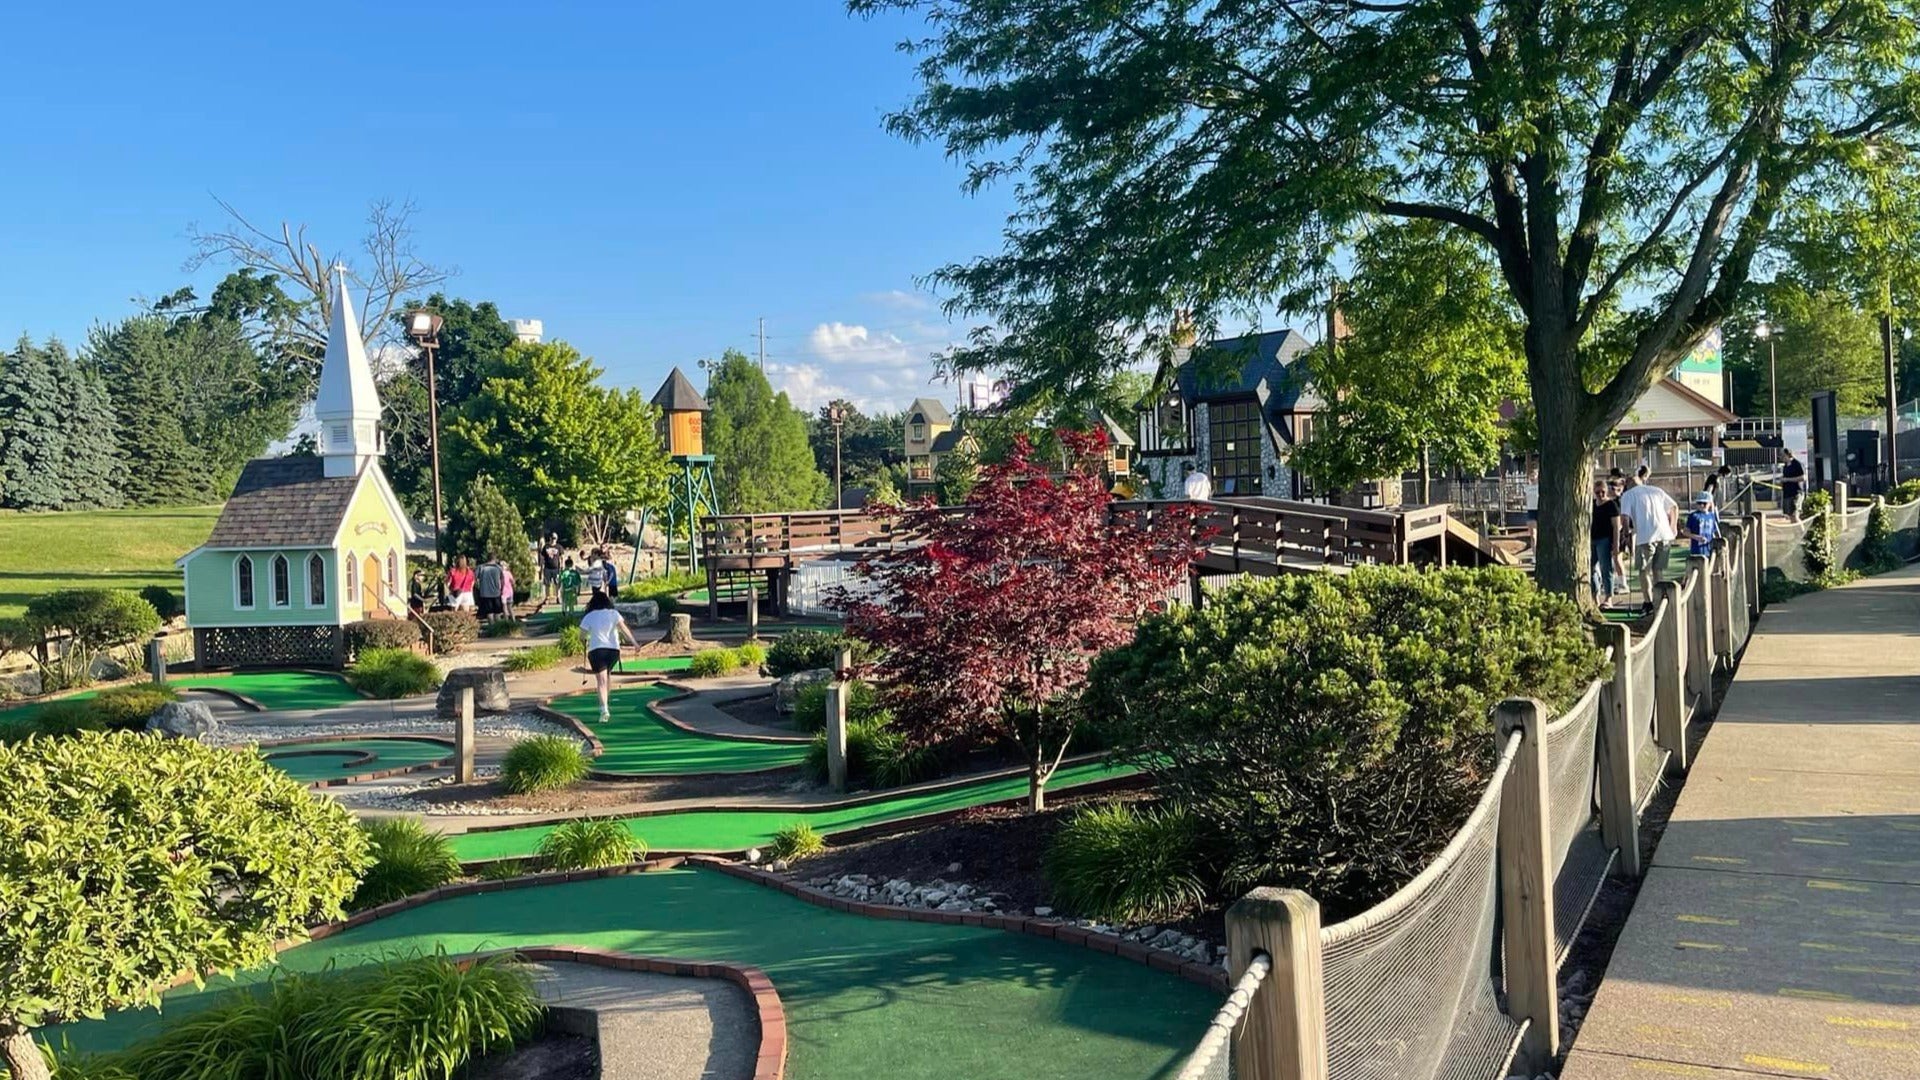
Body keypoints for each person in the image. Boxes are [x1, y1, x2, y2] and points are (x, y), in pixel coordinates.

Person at [1618, 469, 1679, 606]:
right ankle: (1661, 600)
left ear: (1627, 484)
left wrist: (1626, 535)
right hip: (1664, 535)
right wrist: (1673, 527)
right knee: (1658, 570)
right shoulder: (1656, 490)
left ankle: (1648, 602)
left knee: (1643, 571)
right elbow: (1674, 507)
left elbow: (1625, 518)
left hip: (1646, 536)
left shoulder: (1627, 495)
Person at [578, 591, 638, 723]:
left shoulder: (589, 616)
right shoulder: (614, 614)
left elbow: (581, 635)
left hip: (597, 650)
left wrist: (585, 639)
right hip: (613, 651)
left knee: (601, 681)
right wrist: (634, 643)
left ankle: (604, 709)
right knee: (607, 676)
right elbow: (624, 629)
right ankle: (605, 705)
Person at [1590, 478, 1622, 606]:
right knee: (1590, 567)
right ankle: (1595, 595)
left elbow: (1616, 526)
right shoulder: (1592, 504)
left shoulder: (1611, 505)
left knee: (1606, 568)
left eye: (1602, 492)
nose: (1600, 495)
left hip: (1605, 539)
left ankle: (1608, 597)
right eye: (1597, 492)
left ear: (1606, 491)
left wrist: (1616, 544)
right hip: (1592, 539)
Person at [1609, 477, 1631, 597]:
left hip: (1619, 533)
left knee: (1617, 559)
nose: (1610, 489)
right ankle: (1618, 583)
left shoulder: (1620, 501)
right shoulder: (1612, 501)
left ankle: (1623, 585)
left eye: (1613, 488)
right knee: (1615, 560)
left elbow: (1622, 518)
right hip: (1611, 533)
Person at [1683, 491, 1720, 557]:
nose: (1702, 505)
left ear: (1709, 504)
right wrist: (1697, 537)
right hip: (1697, 550)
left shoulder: (1712, 516)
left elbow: (1713, 532)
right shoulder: (1693, 516)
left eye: (1704, 503)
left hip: (1709, 550)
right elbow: (1685, 532)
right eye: (1699, 503)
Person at [474, 555, 505, 622]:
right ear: (495, 559)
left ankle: (492, 627)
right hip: (496, 593)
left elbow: (474, 579)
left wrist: (479, 588)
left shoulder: (481, 567)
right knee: (497, 613)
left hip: (485, 593)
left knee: (489, 613)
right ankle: (498, 628)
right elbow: (502, 580)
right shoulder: (499, 568)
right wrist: (502, 589)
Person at [1781, 447, 1806, 519]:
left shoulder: (1797, 464)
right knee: (1788, 516)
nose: (1781, 457)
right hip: (1787, 494)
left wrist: (1787, 479)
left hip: (1796, 493)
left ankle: (1802, 530)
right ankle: (1793, 530)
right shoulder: (1785, 466)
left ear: (1788, 455)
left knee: (1795, 516)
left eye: (1783, 455)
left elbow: (1803, 477)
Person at [540, 533, 564, 602]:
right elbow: (542, 557)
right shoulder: (546, 546)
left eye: (555, 538)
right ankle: (547, 597)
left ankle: (558, 597)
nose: (554, 540)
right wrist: (541, 566)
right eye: (553, 538)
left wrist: (562, 566)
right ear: (550, 538)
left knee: (557, 583)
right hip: (547, 568)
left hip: (556, 568)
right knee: (547, 583)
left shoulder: (559, 547)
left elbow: (562, 557)